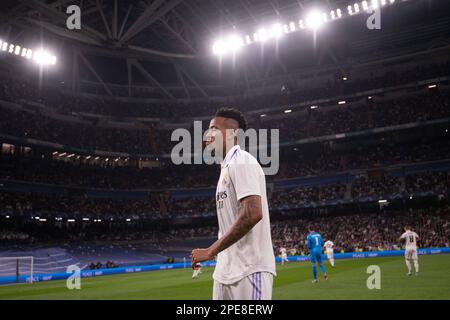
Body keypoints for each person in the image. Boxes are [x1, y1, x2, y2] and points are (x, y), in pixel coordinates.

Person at [191, 108, 276, 300]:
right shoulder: (226, 168)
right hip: (224, 272)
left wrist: (210, 251)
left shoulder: (242, 161)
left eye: (213, 128)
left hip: (249, 270)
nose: (208, 134)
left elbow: (253, 213)